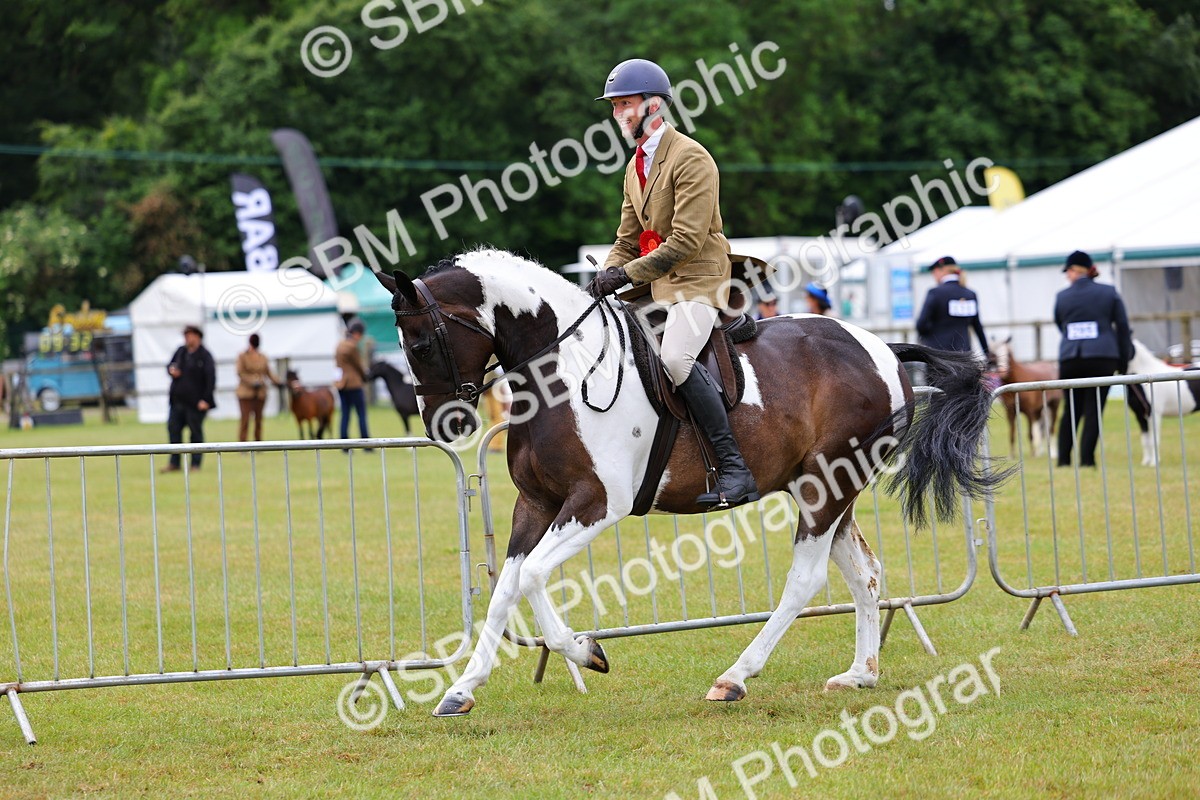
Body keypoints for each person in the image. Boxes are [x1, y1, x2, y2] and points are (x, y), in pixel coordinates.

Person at [587, 58, 758, 508]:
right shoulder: (635, 167)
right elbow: (627, 241)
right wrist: (604, 276)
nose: (617, 114)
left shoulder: (691, 157)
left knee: (676, 359)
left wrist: (624, 275)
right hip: (658, 282)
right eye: (615, 106)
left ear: (654, 106)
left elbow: (685, 240)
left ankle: (735, 469)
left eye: (625, 104)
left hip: (699, 279)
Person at [1054, 250, 1134, 468]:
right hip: (1102, 357)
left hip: (1071, 358)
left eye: (1067, 272)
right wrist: (1123, 360)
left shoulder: (1062, 296)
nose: (1067, 277)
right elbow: (1123, 327)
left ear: (1073, 271)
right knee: (1094, 410)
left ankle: (1063, 460)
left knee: (1071, 410)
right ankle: (1087, 460)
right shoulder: (1109, 293)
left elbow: (1061, 324)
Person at [915, 256, 991, 361]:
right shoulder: (970, 294)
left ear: (941, 270)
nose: (934, 276)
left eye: (934, 272)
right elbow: (977, 327)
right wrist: (987, 353)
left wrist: (930, 337)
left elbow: (921, 325)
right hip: (964, 356)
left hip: (939, 357)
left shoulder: (935, 293)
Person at [164, 325, 215, 472]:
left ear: (197, 336)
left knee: (195, 433)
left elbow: (210, 379)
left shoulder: (205, 356)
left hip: (195, 403)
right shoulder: (181, 351)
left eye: (189, 335)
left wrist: (206, 399)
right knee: (174, 431)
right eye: (185, 335)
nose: (187, 338)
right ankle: (174, 463)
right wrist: (171, 370)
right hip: (177, 400)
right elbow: (170, 365)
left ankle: (195, 464)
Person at [235, 333, 280, 442]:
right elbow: (240, 372)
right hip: (245, 393)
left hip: (260, 393)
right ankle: (243, 444)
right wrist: (252, 381)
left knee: (259, 420)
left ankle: (258, 443)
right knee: (245, 420)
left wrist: (278, 382)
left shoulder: (263, 357)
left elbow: (268, 372)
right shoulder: (242, 356)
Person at [336, 320, 371, 444]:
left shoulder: (339, 345)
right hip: (354, 384)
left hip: (341, 384)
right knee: (361, 413)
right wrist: (365, 377)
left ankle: (344, 443)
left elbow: (338, 365)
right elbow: (358, 366)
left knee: (345, 414)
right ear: (356, 333)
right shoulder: (352, 346)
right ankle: (366, 443)